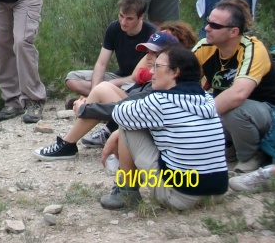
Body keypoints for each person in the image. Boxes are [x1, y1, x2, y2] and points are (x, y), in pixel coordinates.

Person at [97, 46, 228, 210]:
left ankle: (125, 192)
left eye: (157, 66)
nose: (151, 72)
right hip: (217, 192)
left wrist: (83, 109)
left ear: (175, 72)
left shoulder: (160, 101)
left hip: (180, 197)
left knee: (127, 125)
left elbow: (119, 114)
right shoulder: (207, 99)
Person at [34, 31, 179, 161]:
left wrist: (86, 109)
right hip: (143, 119)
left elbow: (126, 108)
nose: (148, 57)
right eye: (148, 52)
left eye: (154, 54)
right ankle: (69, 143)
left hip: (151, 139)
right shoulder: (162, 77)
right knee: (102, 87)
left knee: (102, 91)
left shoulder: (163, 84)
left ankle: (68, 144)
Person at [193, 0, 275, 173]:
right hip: (230, 114)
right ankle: (228, 153)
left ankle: (251, 156)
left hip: (267, 113)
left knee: (233, 109)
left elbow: (238, 94)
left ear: (233, 32)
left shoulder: (253, 49)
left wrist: (196, 117)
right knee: (197, 101)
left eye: (215, 26)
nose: (207, 28)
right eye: (208, 22)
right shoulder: (205, 47)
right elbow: (177, 75)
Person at [64, 0, 156, 97]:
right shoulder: (114, 28)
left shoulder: (152, 34)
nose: (123, 22)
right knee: (72, 79)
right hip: (119, 77)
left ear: (141, 17)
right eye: (121, 16)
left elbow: (137, 76)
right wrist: (96, 90)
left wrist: (108, 85)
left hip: (139, 81)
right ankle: (103, 100)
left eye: (129, 19)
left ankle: (107, 100)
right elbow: (101, 64)